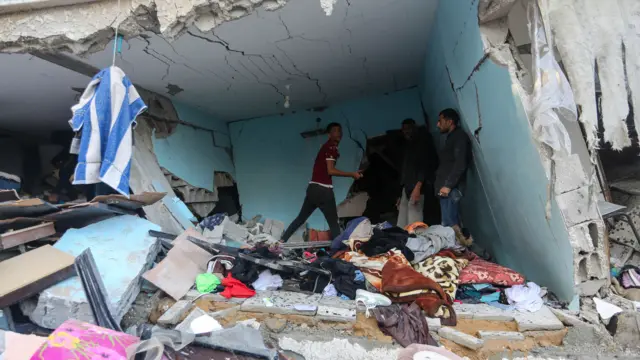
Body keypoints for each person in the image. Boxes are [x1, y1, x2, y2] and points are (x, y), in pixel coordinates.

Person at [280, 123, 363, 242]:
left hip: (313, 188)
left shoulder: (327, 147)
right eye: (335, 131)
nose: (338, 133)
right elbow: (330, 170)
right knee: (334, 223)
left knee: (301, 218)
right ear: (329, 134)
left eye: (340, 130)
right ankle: (339, 251)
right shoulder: (331, 147)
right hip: (323, 190)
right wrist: (352, 174)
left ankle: (282, 240)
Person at [435, 108, 472, 245]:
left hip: (451, 190)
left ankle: (467, 256)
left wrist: (448, 185)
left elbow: (460, 163)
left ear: (450, 121)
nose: (438, 125)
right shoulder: (451, 138)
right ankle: (463, 254)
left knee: (451, 228)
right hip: (446, 190)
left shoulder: (459, 137)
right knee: (450, 227)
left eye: (440, 121)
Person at [396, 118, 428, 228]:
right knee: (402, 222)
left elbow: (423, 169)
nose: (406, 131)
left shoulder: (421, 145)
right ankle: (402, 241)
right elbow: (405, 171)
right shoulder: (408, 146)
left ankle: (416, 243)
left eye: (408, 129)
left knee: (415, 222)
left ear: (415, 129)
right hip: (407, 187)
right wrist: (401, 193)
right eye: (404, 129)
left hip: (417, 187)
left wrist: (418, 188)